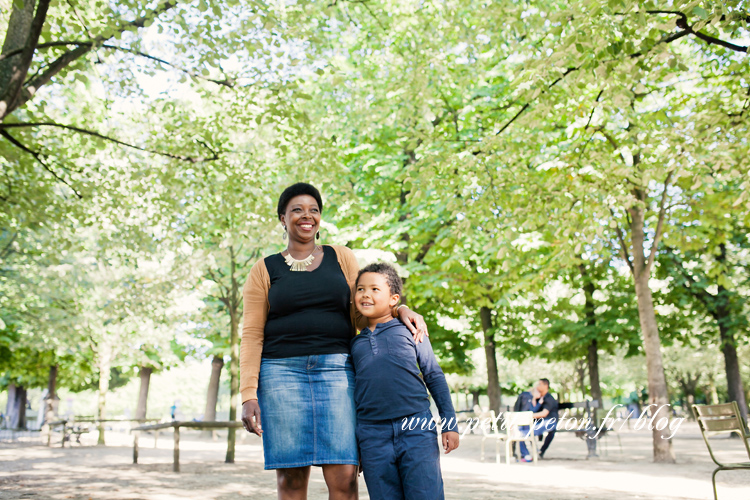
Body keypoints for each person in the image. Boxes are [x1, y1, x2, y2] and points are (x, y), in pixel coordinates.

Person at [239, 183, 429, 500]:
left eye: (314, 210)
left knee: (345, 478)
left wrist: (400, 309)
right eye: (297, 209)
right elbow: (252, 334)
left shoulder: (340, 257)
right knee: (291, 480)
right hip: (280, 374)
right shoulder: (264, 269)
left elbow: (362, 311)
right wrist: (248, 393)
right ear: (282, 219)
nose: (307, 216)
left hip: (337, 371)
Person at [350, 262, 459, 500]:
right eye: (360, 289)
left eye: (374, 289)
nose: (365, 294)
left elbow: (433, 375)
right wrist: (357, 444)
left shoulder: (412, 330)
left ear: (394, 299)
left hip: (417, 429)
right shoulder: (354, 344)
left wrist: (449, 423)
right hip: (372, 435)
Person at [519, 378, 559, 461]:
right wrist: (534, 398)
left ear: (545, 386)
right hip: (539, 422)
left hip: (549, 422)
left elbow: (544, 414)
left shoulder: (549, 398)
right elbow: (532, 409)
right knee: (522, 429)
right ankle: (528, 453)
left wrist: (527, 416)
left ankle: (529, 452)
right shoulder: (539, 398)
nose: (537, 386)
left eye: (539, 384)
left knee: (521, 433)